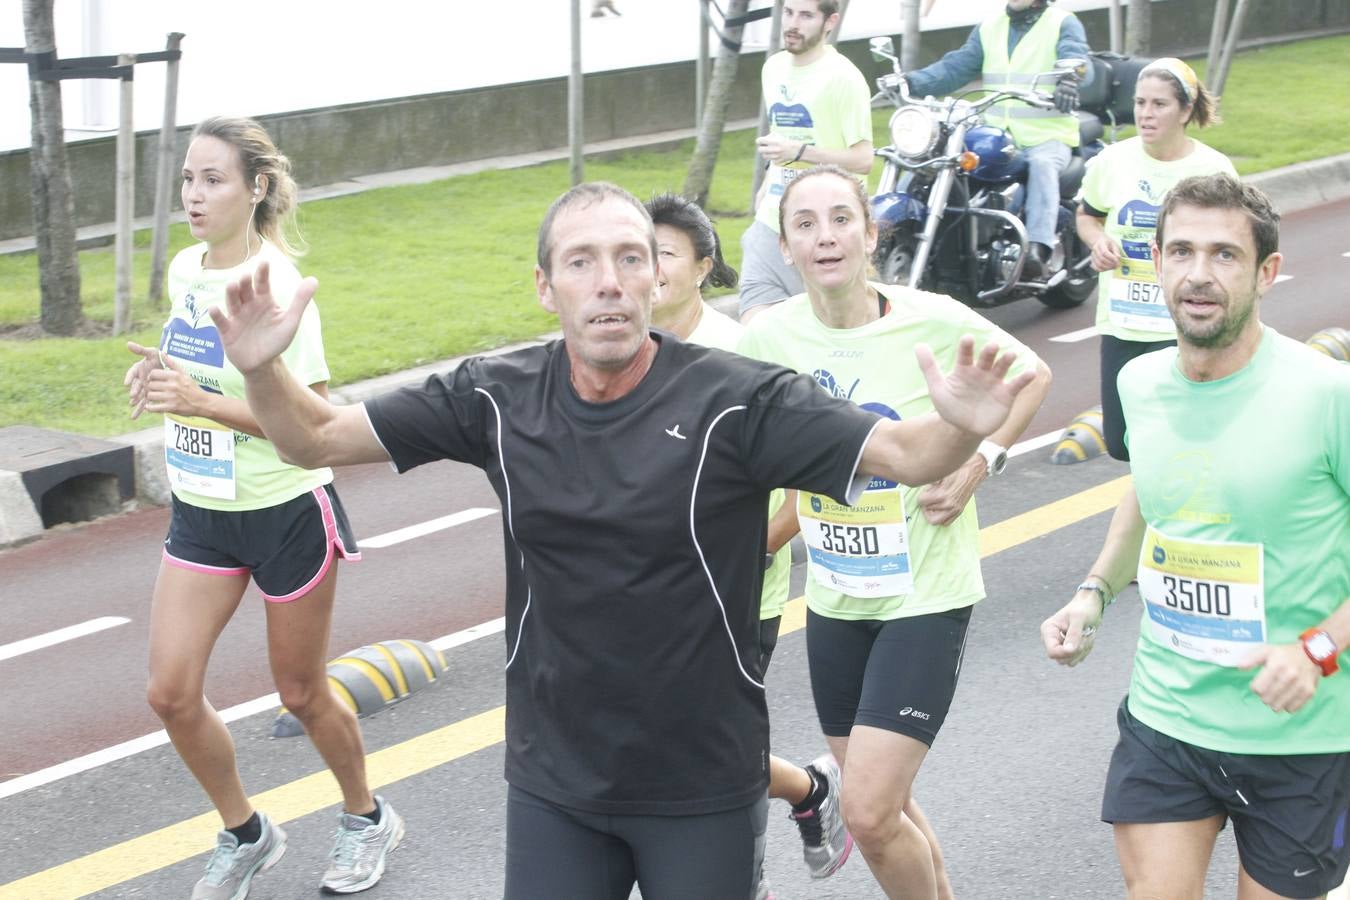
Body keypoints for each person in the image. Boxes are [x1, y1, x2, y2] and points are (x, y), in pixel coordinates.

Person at [208, 180, 1036, 899]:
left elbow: (906, 453)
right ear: (545, 286)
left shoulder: (741, 399)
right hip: (555, 784)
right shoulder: (496, 395)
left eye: (631, 259)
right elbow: (313, 439)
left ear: (657, 275)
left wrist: (962, 429)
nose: (609, 283)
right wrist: (260, 370)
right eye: (582, 262)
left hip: (704, 784)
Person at [739, 165, 1052, 900]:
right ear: (786, 247)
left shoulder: (932, 321)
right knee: (892, 804)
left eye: (841, 219)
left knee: (869, 812)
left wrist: (979, 460)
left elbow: (1032, 372)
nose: (825, 237)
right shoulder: (768, 340)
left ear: (871, 234)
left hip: (924, 596)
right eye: (806, 224)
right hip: (837, 602)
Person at [1041, 174, 1350, 900]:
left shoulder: (1325, 394)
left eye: (1224, 255)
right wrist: (1092, 594)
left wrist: (1318, 650)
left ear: (1266, 272)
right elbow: (1150, 495)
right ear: (1155, 261)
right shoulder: (1142, 384)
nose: (1199, 275)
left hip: (1299, 736)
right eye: (1180, 251)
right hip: (1168, 715)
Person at [121, 116, 403, 899]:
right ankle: (245, 831)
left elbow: (312, 424)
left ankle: (365, 816)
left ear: (256, 190)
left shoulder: (281, 289)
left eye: (213, 179)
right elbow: (195, 372)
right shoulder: (187, 269)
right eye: (187, 178)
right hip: (202, 507)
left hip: (284, 510)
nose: (194, 195)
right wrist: (160, 384)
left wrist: (204, 403)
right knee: (169, 693)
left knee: (303, 693)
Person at [645, 192, 852, 897]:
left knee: (707, 749)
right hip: (646, 595)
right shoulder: (615, 349)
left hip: (734, 595)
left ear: (704, 266)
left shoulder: (742, 357)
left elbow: (802, 499)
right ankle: (811, 790)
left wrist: (733, 551)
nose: (646, 266)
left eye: (665, 252)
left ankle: (744, 877)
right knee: (667, 741)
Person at [1076, 57, 1234, 460]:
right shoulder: (1112, 161)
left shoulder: (1213, 170)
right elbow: (1087, 216)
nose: (1145, 114)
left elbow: (1235, 245)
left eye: (1159, 104)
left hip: (1185, 322)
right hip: (1123, 320)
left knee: (1178, 441)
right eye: (1140, 102)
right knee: (1121, 444)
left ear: (1185, 110)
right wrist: (1098, 242)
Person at [904, 0, 1092, 279]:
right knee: (946, 159)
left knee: (1042, 165)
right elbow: (956, 67)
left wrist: (1069, 80)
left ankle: (1038, 250)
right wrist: (910, 82)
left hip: (1046, 135)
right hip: (997, 135)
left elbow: (1078, 60)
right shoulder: (990, 26)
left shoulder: (1061, 21)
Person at [739, 0, 873, 324]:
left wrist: (799, 153)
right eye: (788, 13)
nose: (793, 24)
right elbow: (781, 132)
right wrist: (769, 182)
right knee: (756, 326)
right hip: (774, 217)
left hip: (825, 227)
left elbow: (863, 159)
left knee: (826, 328)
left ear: (830, 21)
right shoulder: (772, 68)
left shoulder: (844, 78)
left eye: (806, 15)